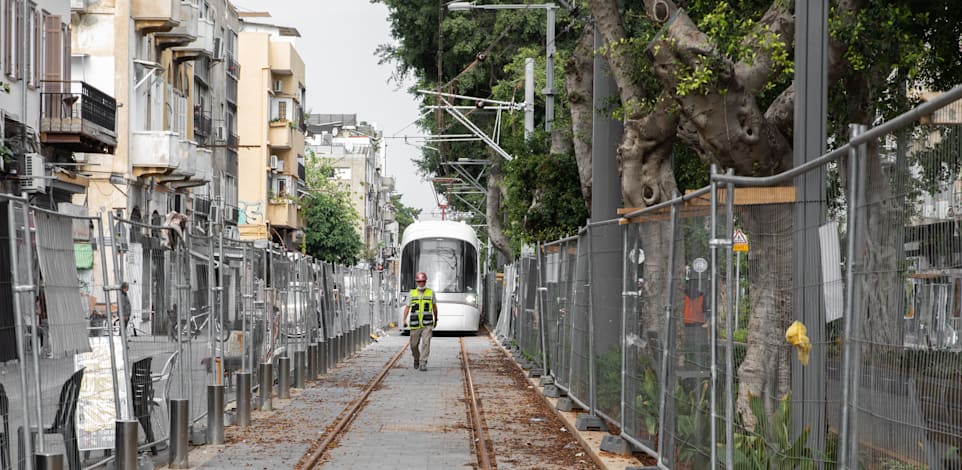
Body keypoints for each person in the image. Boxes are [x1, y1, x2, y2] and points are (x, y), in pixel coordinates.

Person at [404, 271, 438, 371]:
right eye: (419, 282)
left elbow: (434, 307)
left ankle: (423, 362)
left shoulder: (431, 292)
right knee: (413, 345)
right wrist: (404, 319)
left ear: (425, 282)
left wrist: (435, 318)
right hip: (415, 324)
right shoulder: (412, 293)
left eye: (423, 281)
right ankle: (416, 358)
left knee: (426, 342)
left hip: (427, 323)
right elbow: (407, 307)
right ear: (416, 282)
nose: (421, 283)